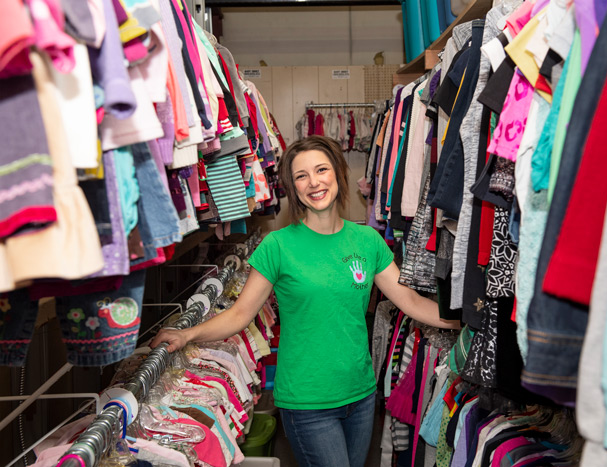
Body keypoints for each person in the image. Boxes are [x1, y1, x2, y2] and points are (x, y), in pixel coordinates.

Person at [150, 135, 461, 467]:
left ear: (338, 174)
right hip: (307, 402)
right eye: (301, 176)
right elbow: (240, 313)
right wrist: (187, 334)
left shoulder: (367, 240)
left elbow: (409, 300)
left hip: (361, 395)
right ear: (292, 187)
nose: (314, 182)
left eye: (321, 170)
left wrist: (463, 321)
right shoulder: (278, 246)